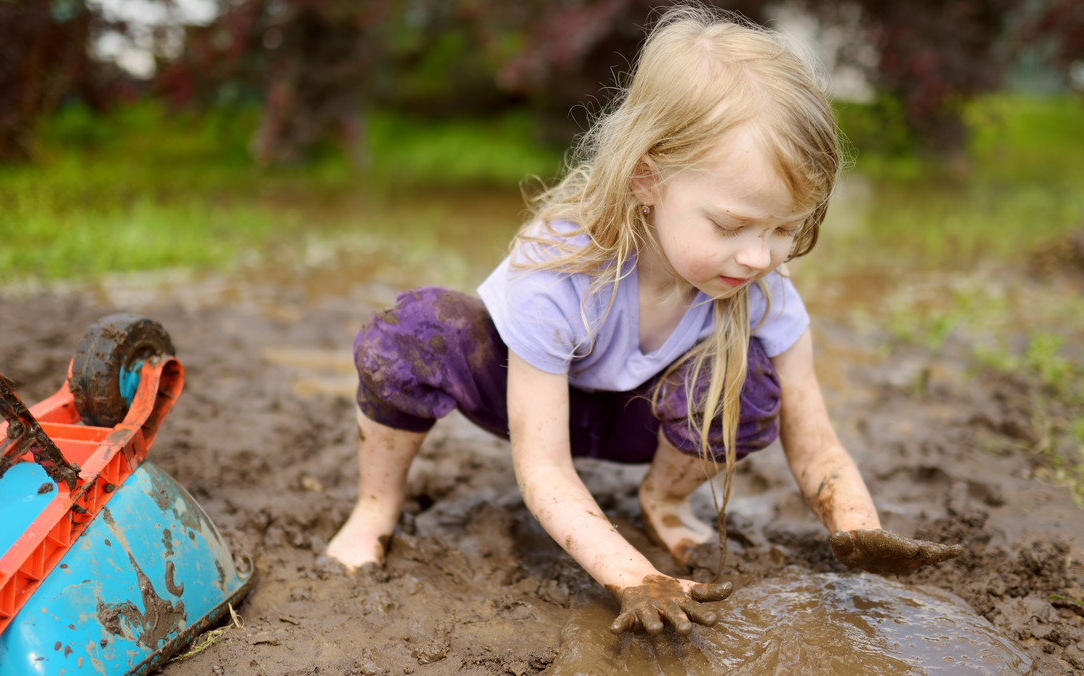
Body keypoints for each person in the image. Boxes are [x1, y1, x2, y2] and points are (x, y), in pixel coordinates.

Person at [326, 4, 962, 635]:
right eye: (731, 225)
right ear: (646, 177)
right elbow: (542, 467)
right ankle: (375, 506)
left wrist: (856, 526)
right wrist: (633, 576)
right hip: (529, 405)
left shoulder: (762, 285)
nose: (758, 255)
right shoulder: (559, 271)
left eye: (785, 229)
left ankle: (663, 498)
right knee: (414, 330)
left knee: (752, 379)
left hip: (643, 424)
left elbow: (814, 434)